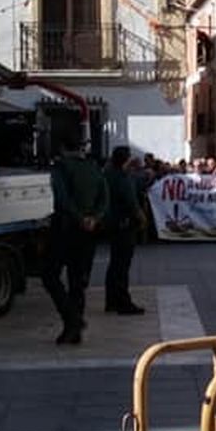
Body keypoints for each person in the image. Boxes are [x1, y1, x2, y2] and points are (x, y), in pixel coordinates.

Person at [46, 131, 108, 345]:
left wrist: (79, 218)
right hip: (88, 230)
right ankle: (74, 330)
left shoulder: (61, 168)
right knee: (77, 280)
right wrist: (94, 218)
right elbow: (104, 197)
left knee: (50, 275)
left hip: (66, 228)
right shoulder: (92, 167)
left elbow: (62, 199)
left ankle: (72, 320)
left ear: (62, 148)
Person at [102, 146, 148, 316]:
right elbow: (131, 200)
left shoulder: (108, 173)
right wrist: (142, 217)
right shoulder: (121, 177)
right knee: (122, 265)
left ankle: (111, 300)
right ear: (125, 159)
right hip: (124, 223)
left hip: (113, 223)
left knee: (114, 264)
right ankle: (123, 302)